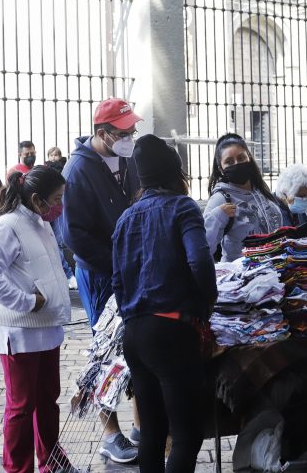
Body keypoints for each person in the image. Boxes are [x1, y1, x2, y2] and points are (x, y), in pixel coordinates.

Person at [112, 134, 217, 472]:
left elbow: (117, 280)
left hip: (135, 334)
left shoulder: (126, 218)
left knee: (153, 431)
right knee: (186, 434)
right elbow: (200, 262)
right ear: (176, 172)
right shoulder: (181, 207)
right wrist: (206, 303)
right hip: (171, 331)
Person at [55, 96, 141, 463]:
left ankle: (142, 423)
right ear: (103, 133)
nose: (131, 136)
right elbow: (74, 236)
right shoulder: (78, 170)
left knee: (136, 348)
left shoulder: (128, 158)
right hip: (100, 272)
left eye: (132, 130)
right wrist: (115, 265)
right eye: (124, 132)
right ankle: (110, 433)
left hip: (131, 266)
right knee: (106, 350)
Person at [0, 166, 74, 473]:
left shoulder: (41, 224)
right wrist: (26, 302)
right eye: (55, 199)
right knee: (21, 406)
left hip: (48, 327)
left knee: (47, 400)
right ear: (36, 198)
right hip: (19, 329)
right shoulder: (7, 226)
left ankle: (51, 461)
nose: (59, 206)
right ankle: (18, 468)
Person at [204, 133, 283, 262]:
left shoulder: (262, 190)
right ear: (221, 169)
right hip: (243, 275)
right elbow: (203, 245)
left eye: (241, 158)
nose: (237, 164)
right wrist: (218, 216)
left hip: (275, 270)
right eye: (229, 161)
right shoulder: (221, 198)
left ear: (249, 158)